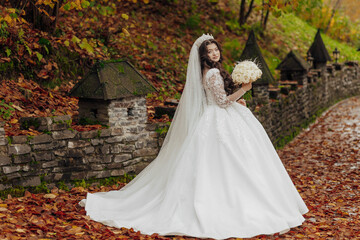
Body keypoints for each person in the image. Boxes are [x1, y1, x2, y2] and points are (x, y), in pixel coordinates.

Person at [79, 34, 308, 239]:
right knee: (234, 161)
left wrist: (237, 99)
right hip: (220, 119)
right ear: (203, 55)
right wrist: (244, 89)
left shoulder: (206, 73)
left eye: (216, 49)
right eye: (209, 51)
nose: (215, 53)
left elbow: (217, 99)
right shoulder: (214, 73)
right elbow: (220, 102)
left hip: (214, 118)